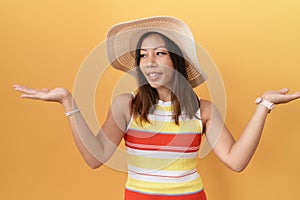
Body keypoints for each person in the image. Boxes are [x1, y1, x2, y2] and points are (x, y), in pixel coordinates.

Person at [13, 16, 300, 200]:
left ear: (176, 62)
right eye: (143, 55)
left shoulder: (204, 109)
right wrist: (68, 101)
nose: (149, 61)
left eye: (160, 53)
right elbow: (95, 158)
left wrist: (264, 106)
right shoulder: (126, 105)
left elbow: (236, 161)